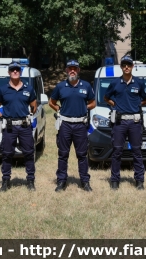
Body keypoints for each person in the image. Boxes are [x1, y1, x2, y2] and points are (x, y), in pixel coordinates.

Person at [49, 59, 96, 192]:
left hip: (81, 125)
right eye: (70, 68)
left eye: (75, 68)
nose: (72, 70)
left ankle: (85, 182)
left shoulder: (86, 86)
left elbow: (93, 103)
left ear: (79, 70)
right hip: (65, 125)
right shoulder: (60, 86)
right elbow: (51, 102)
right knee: (63, 154)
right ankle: (61, 181)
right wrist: (58, 109)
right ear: (66, 70)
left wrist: (84, 106)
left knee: (82, 155)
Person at [104, 55, 146, 190]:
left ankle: (139, 180)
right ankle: (114, 181)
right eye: (124, 65)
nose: (126, 67)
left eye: (129, 65)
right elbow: (106, 97)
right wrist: (115, 104)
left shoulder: (139, 83)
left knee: (136, 151)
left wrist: (137, 104)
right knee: (117, 151)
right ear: (121, 67)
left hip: (135, 122)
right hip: (119, 122)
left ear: (132, 67)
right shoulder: (115, 83)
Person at [0, 61, 37, 192]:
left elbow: (34, 106)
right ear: (9, 72)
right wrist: (2, 118)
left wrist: (29, 114)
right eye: (12, 70)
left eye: (17, 69)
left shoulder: (28, 89)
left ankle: (30, 180)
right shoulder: (2, 90)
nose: (15, 72)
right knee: (7, 154)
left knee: (29, 153)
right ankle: (5, 181)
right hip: (9, 127)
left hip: (24, 126)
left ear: (20, 72)